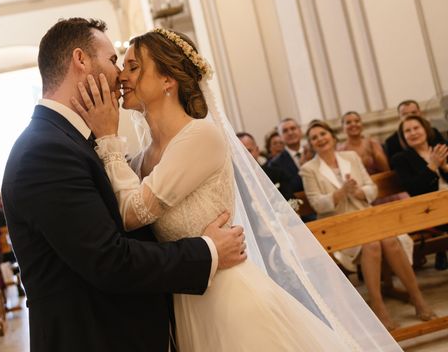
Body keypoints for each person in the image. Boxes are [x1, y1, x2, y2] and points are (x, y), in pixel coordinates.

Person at [76, 27, 390, 351]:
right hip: (187, 300)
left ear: (168, 79)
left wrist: (108, 139)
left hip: (230, 300)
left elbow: (131, 213)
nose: (121, 76)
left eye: (133, 66)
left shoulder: (201, 137)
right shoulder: (141, 159)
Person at [2, 18, 247, 352]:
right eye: (114, 61)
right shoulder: (46, 151)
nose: (120, 75)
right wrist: (208, 250)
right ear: (81, 60)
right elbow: (108, 260)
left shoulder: (68, 141)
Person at [301, 120, 436, 330]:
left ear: (332, 136)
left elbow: (371, 188)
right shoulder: (309, 169)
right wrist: (341, 192)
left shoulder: (351, 157)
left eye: (323, 134)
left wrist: (357, 192)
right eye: (314, 137)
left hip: (365, 216)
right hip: (339, 224)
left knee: (390, 240)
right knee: (371, 244)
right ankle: (378, 305)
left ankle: (417, 298)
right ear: (311, 144)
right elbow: (317, 203)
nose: (320, 139)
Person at [391, 115, 448, 270]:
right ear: (403, 137)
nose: (413, 133)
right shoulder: (401, 159)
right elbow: (414, 189)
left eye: (416, 128)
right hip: (428, 209)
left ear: (425, 129)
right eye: (407, 131)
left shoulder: (441, 148)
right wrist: (433, 165)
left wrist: (444, 167)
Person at [384, 100, 445, 164]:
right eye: (405, 114)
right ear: (399, 117)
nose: (410, 116)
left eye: (414, 112)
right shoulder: (391, 142)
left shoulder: (433, 131)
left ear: (420, 113)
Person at [237, 132, 294, 200]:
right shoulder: (234, 183)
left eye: (248, 151)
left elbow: (291, 201)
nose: (244, 156)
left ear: (257, 150)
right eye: (239, 153)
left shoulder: (278, 175)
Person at [269, 118, 313, 193]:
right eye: (285, 131)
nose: (290, 133)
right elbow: (288, 189)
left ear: (300, 131)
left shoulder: (314, 152)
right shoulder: (275, 164)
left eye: (293, 128)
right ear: (280, 137)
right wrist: (303, 168)